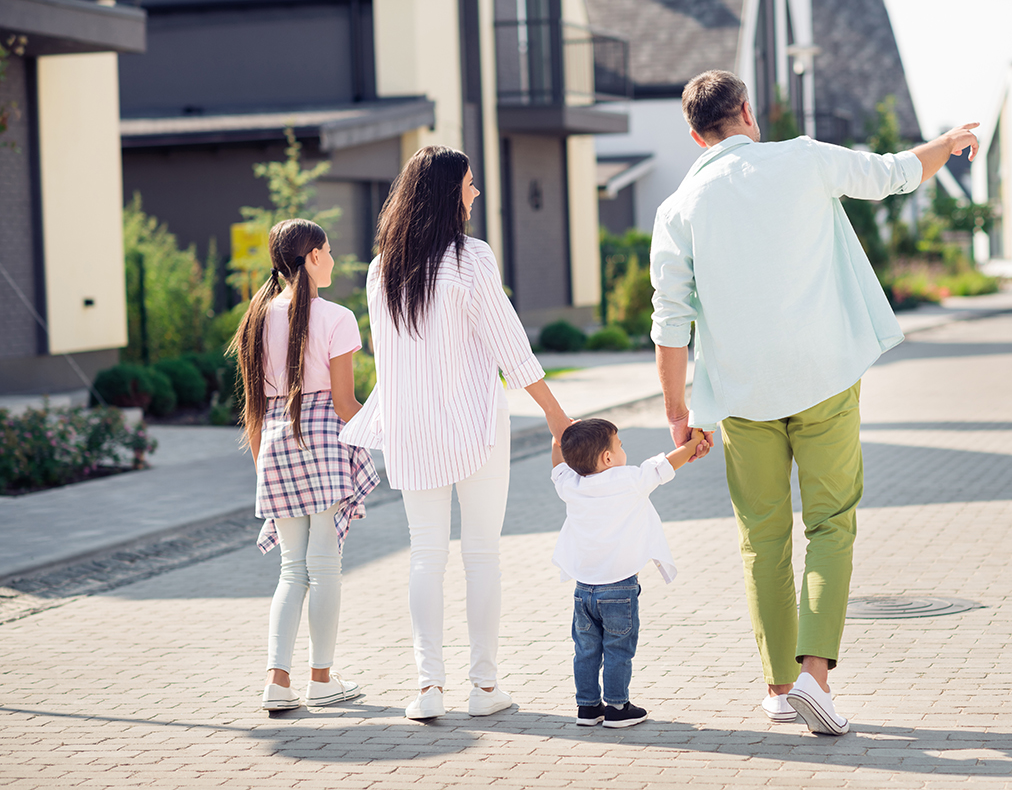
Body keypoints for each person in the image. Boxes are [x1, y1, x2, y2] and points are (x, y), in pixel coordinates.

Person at [650, 70, 979, 735]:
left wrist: (678, 410)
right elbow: (893, 173)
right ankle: (815, 679)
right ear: (746, 111)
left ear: (693, 135)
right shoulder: (801, 158)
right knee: (830, 525)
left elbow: (670, 320)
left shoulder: (677, 210)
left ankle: (777, 688)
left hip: (744, 397)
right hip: (825, 377)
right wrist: (946, 142)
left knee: (762, 540)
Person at [340, 146, 572, 721]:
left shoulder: (380, 269)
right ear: (449, 193)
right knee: (481, 554)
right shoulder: (471, 258)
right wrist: (555, 415)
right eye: (469, 184)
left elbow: (388, 358)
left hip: (410, 428)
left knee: (425, 555)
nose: (475, 193)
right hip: (474, 425)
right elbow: (509, 344)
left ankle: (427, 687)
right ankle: (484, 687)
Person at [229, 218, 380, 712]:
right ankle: (321, 680)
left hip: (274, 443)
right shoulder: (336, 316)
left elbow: (253, 409)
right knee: (325, 567)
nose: (333, 259)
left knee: (291, 571)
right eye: (329, 251)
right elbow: (343, 403)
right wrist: (386, 434)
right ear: (312, 256)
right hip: (324, 442)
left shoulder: (255, 319)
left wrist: (262, 470)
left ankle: (277, 681)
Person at [550, 419, 705, 729]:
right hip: (619, 589)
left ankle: (587, 708)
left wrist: (558, 438)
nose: (623, 450)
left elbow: (558, 462)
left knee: (586, 650)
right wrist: (692, 443)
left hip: (584, 591)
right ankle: (618, 707)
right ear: (608, 458)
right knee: (618, 648)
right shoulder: (629, 479)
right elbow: (666, 464)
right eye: (619, 445)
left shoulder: (571, 485)